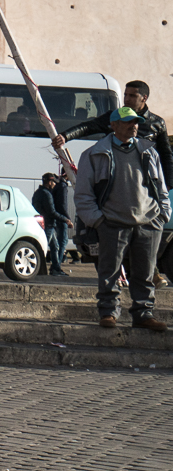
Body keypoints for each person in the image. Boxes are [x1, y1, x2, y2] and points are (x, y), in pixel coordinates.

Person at [73, 107, 169, 332]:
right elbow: (83, 193)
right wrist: (97, 220)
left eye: (135, 122)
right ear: (113, 126)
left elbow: (161, 188)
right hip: (112, 222)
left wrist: (162, 215)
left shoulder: (148, 151)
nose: (133, 126)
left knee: (145, 271)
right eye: (127, 122)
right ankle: (108, 312)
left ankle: (144, 313)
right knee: (109, 271)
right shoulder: (94, 154)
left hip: (148, 222)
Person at [32, 173, 70, 277]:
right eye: (53, 182)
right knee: (41, 248)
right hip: (48, 225)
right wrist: (66, 220)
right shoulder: (47, 194)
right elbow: (52, 212)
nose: (54, 184)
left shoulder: (38, 193)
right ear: (49, 182)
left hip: (45, 224)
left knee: (55, 247)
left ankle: (56, 269)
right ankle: (36, 269)